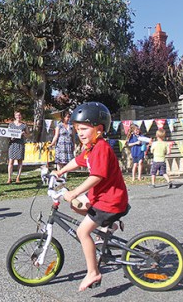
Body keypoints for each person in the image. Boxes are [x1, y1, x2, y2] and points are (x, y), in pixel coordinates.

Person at [51, 102, 128, 292]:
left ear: (99, 129)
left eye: (84, 129)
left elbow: (97, 176)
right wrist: (59, 172)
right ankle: (108, 225)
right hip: (102, 198)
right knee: (77, 206)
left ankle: (93, 272)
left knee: (82, 232)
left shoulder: (101, 148)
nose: (80, 133)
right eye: (77, 130)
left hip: (110, 201)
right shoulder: (91, 148)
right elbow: (77, 162)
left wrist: (74, 192)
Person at [50, 110, 75, 175]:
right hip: (61, 145)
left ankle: (65, 174)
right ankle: (59, 173)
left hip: (69, 145)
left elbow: (73, 136)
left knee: (67, 161)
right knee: (60, 161)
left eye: (69, 117)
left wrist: (73, 145)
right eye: (67, 117)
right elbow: (56, 135)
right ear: (63, 117)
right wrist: (52, 143)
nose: (68, 118)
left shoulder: (71, 126)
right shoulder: (59, 125)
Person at [7, 111, 28, 184]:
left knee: (20, 161)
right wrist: (11, 137)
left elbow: (28, 135)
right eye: (17, 115)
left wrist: (24, 134)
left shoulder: (24, 125)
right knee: (11, 161)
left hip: (20, 144)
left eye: (19, 115)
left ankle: (18, 177)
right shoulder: (11, 124)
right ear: (15, 116)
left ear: (21, 116)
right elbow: (8, 135)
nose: (18, 116)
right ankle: (9, 178)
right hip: (12, 144)